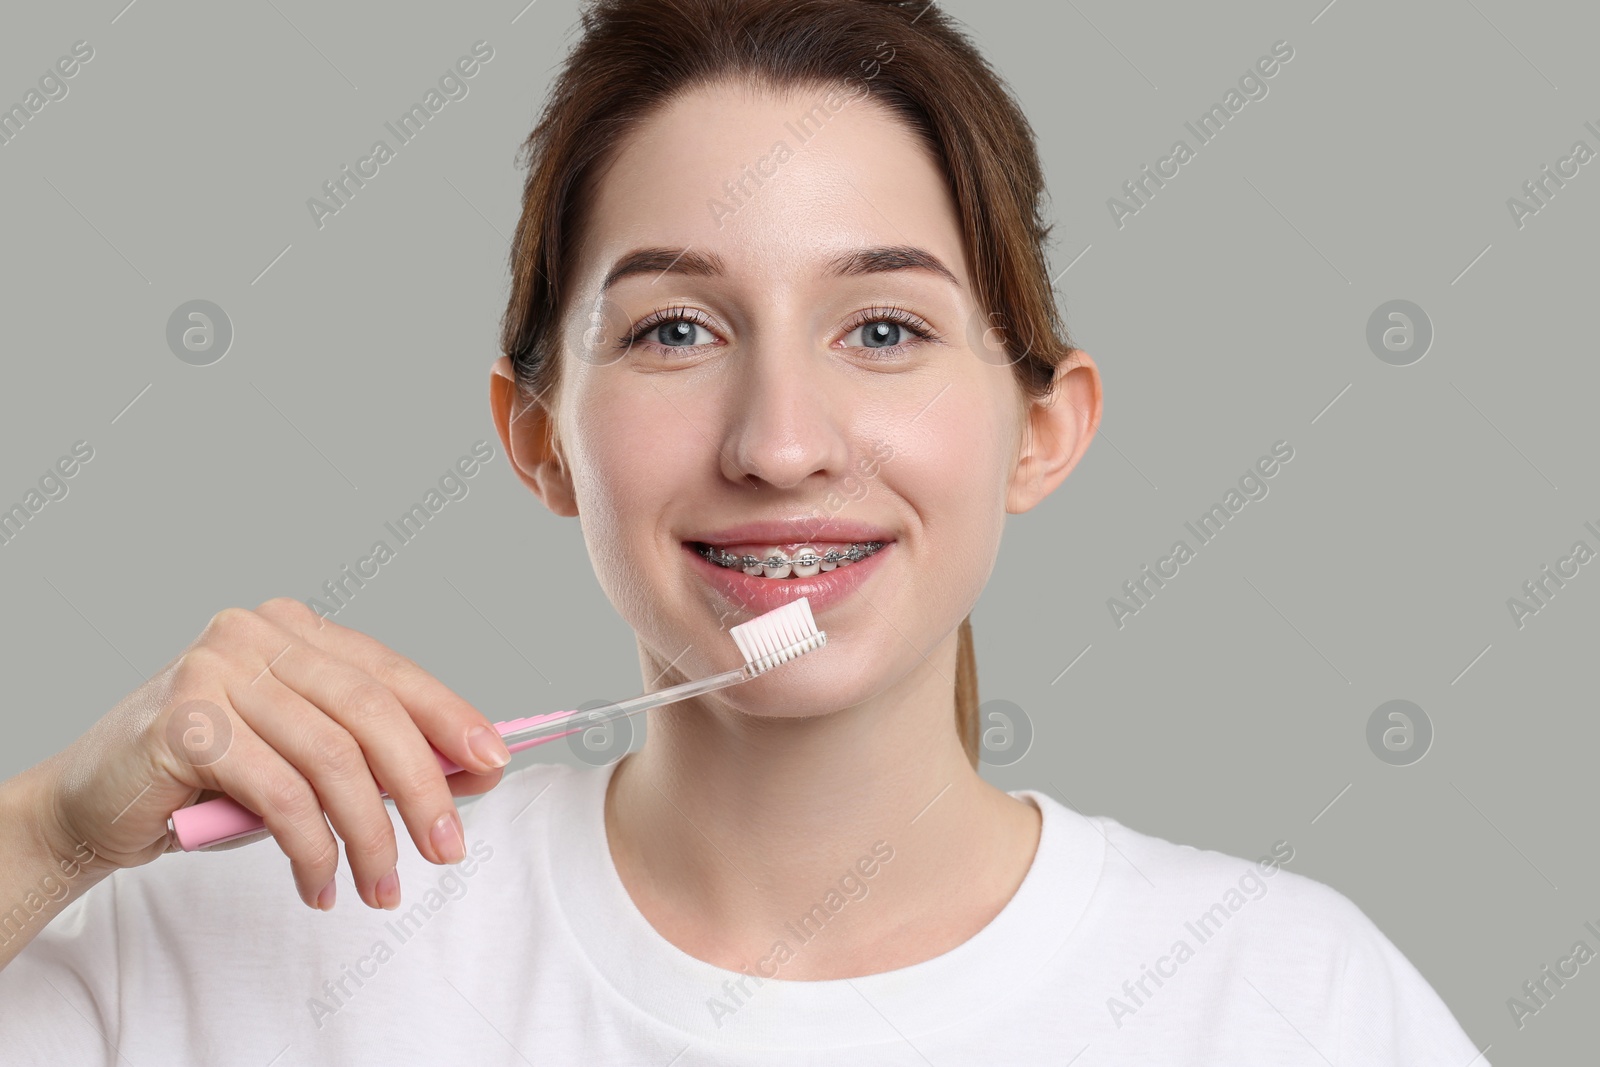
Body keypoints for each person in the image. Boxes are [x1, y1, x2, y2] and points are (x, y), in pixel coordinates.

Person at [0, 0, 1486, 1062]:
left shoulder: (1288, 999)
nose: (780, 442)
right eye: (676, 330)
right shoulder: (225, 944)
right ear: (538, 437)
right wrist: (52, 830)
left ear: (1042, 428)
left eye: (886, 327)